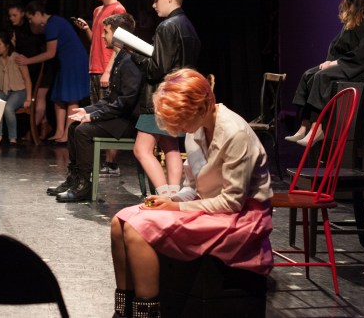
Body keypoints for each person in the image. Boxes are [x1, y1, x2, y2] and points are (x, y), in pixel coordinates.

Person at [110, 68, 273, 317]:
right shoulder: (196, 128)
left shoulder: (235, 133)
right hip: (208, 205)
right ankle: (124, 310)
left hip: (242, 217)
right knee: (119, 221)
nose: (179, 128)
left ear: (202, 107)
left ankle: (147, 312)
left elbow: (233, 202)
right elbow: (194, 187)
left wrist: (177, 207)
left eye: (183, 120)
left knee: (138, 229)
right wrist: (171, 199)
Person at [285, 0, 364, 147]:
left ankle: (318, 128)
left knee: (322, 77)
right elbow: (338, 43)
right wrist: (330, 60)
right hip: (350, 63)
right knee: (309, 75)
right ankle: (305, 125)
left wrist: (337, 63)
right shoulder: (356, 12)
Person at [46, 13, 143, 202]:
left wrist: (94, 117)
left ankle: (84, 186)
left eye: (106, 32)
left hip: (127, 122)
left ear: (118, 34)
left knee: (83, 131)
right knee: (74, 127)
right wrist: (87, 110)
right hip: (119, 117)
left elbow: (125, 102)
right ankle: (75, 179)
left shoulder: (129, 61)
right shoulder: (120, 59)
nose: (102, 36)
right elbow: (110, 99)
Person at [129, 0, 201, 197]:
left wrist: (134, 54)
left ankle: (163, 196)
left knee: (141, 149)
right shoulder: (188, 26)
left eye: (156, 0)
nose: (153, 5)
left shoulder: (167, 26)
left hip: (162, 96)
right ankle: (174, 196)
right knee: (171, 147)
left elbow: (156, 69)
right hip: (180, 96)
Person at [73, 0, 127, 178]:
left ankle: (112, 163)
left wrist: (108, 71)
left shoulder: (118, 9)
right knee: (95, 116)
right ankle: (99, 160)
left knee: (108, 115)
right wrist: (87, 29)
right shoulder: (97, 11)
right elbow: (97, 40)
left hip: (106, 70)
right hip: (94, 68)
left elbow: (119, 44)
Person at [15, 0, 89, 145]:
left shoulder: (52, 25)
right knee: (58, 97)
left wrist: (28, 61)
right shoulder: (51, 24)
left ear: (37, 14)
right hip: (65, 62)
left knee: (72, 97)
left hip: (74, 61)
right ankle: (59, 131)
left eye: (30, 18)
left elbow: (50, 53)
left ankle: (68, 134)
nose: (30, 22)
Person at [7, 3, 53, 141]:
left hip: (40, 67)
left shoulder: (31, 27)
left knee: (39, 98)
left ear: (22, 14)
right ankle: (44, 125)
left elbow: (41, 47)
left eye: (14, 15)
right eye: (10, 16)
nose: (11, 18)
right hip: (28, 68)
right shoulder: (14, 30)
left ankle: (33, 130)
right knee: (35, 99)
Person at [0, 31, 32, 145]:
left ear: (7, 45)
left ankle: (12, 137)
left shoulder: (17, 58)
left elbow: (27, 80)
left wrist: (29, 98)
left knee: (8, 108)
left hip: (19, 91)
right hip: (3, 91)